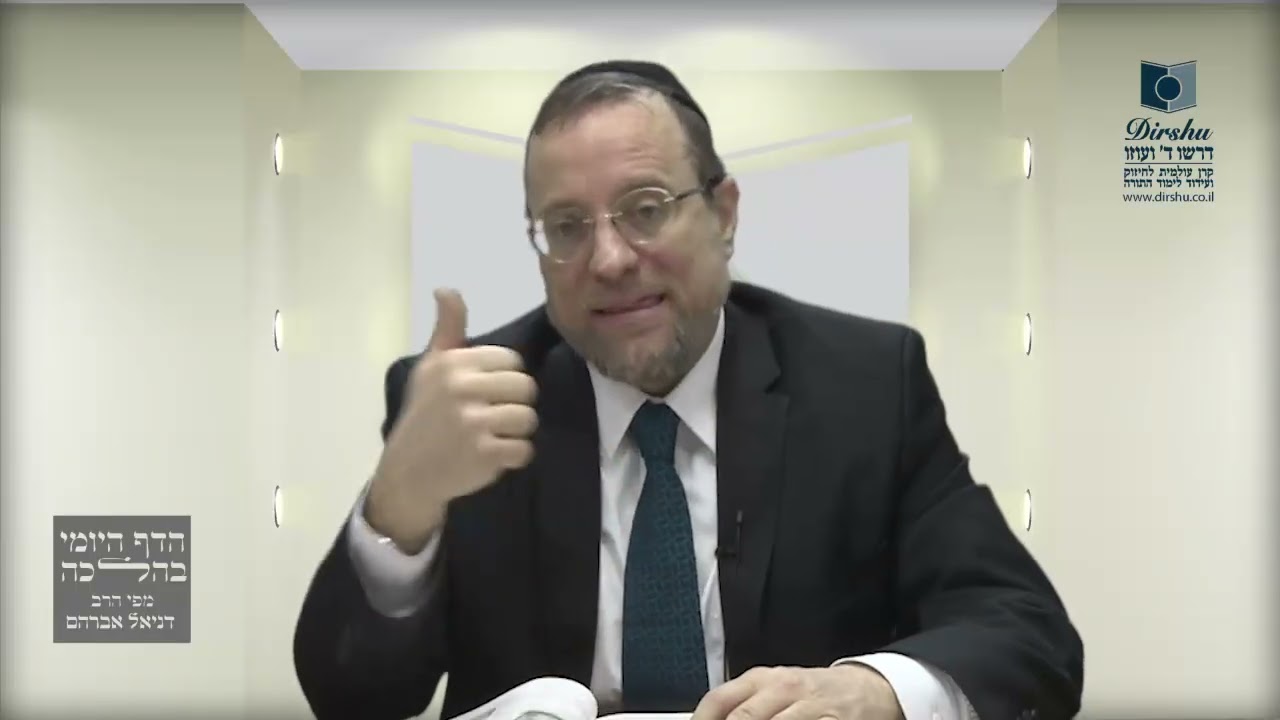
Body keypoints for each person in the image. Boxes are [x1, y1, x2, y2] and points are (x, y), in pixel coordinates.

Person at [292, 60, 1084, 720]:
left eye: (645, 210)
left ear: (724, 214)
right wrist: (397, 510)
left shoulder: (868, 384)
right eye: (566, 226)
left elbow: (1027, 634)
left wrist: (875, 691)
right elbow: (350, 697)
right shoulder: (469, 404)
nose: (609, 260)